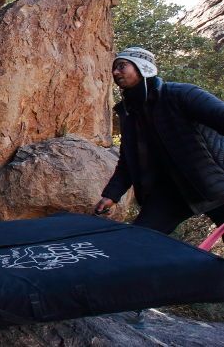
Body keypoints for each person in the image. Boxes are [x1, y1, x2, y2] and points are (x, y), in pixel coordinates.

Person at [94, 47, 224, 235]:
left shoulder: (181, 94)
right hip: (168, 194)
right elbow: (128, 161)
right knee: (138, 241)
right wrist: (111, 195)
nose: (115, 72)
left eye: (122, 66)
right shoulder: (128, 113)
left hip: (212, 184)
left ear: (142, 67)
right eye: (114, 68)